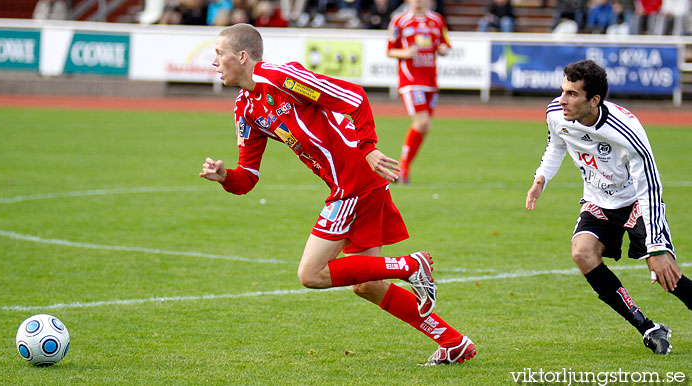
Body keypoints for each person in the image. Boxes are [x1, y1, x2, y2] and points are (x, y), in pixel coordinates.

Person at [201, 23, 476, 365]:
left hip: (355, 179)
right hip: (350, 183)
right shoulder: (245, 108)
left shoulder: (283, 77)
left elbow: (354, 97)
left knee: (311, 274)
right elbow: (248, 178)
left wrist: (368, 147)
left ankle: (410, 265)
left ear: (241, 57)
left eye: (219, 54)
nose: (214, 62)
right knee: (367, 284)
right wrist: (225, 176)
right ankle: (453, 342)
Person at [525, 60, 692, 355]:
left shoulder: (627, 131)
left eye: (572, 94)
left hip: (636, 203)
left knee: (664, 273)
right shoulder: (557, 112)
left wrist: (655, 247)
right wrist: (541, 178)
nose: (562, 100)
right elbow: (556, 144)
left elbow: (649, 188)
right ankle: (648, 327)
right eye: (563, 91)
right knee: (582, 253)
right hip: (598, 200)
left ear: (594, 100)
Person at [387, 0, 450, 184]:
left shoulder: (437, 20)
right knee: (422, 123)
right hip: (411, 80)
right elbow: (390, 51)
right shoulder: (399, 21)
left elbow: (445, 45)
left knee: (425, 126)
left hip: (430, 81)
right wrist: (405, 53)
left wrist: (444, 49)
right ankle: (403, 168)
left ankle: (402, 168)